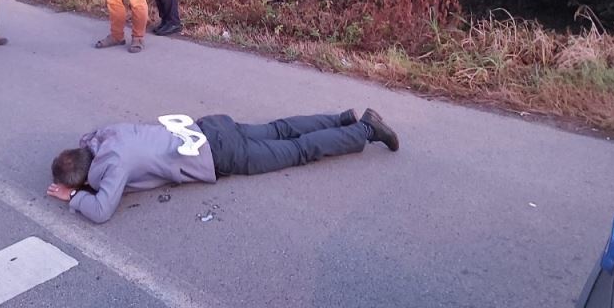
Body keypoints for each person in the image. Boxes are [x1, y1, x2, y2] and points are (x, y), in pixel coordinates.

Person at [47, 108, 399, 224]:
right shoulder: (103, 137)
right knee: (279, 129)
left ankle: (365, 130)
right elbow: (86, 142)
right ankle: (341, 119)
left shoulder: (113, 168)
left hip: (219, 154)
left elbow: (101, 210)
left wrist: (73, 196)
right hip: (211, 127)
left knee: (297, 151)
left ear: (84, 178)